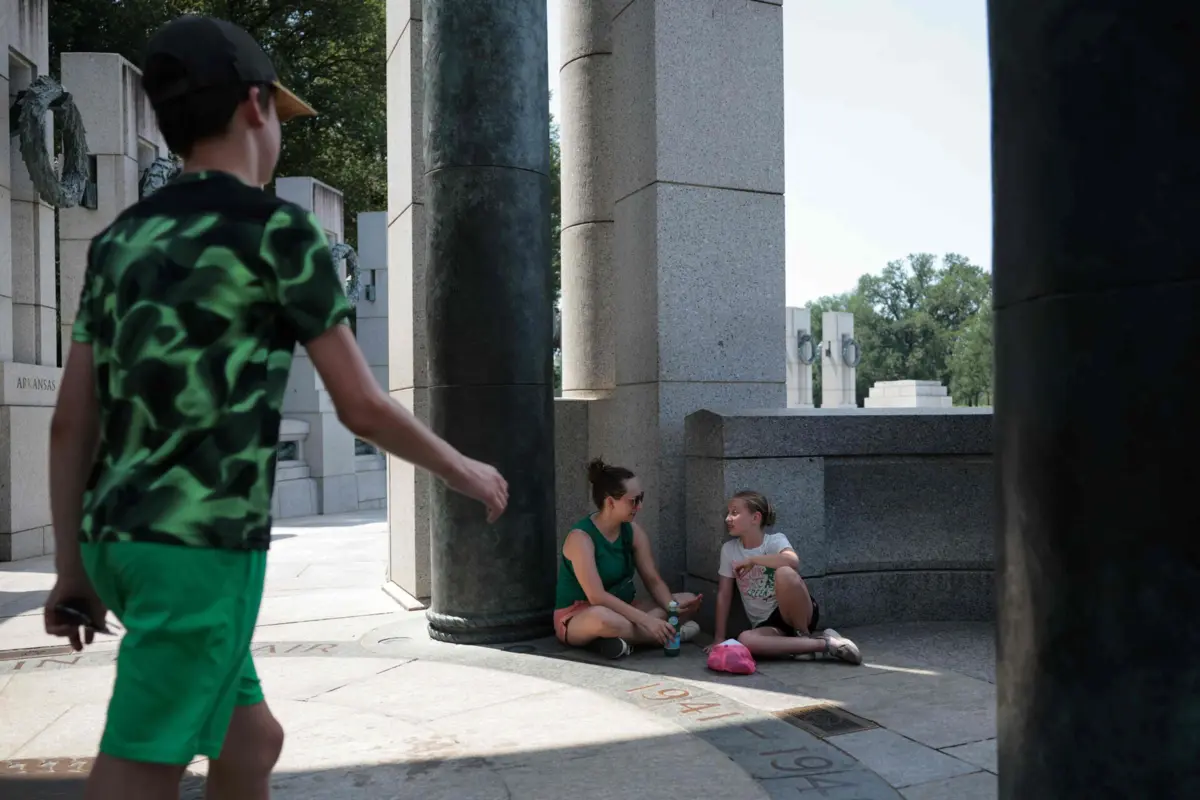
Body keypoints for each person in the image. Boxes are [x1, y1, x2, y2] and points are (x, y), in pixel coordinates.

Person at [42, 15, 508, 800]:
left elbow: (69, 422)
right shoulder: (277, 233)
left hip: (119, 541)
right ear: (257, 105)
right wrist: (463, 471)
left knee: (252, 741)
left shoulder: (120, 241)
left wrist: (70, 568)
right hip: (202, 546)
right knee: (138, 763)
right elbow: (359, 405)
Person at [554, 458, 703, 658]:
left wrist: (673, 609)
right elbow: (596, 597)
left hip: (624, 610)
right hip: (581, 616)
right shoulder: (581, 538)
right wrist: (649, 621)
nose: (639, 506)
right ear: (610, 502)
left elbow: (652, 579)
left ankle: (619, 641)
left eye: (641, 498)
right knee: (602, 619)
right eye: (633, 501)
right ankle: (668, 633)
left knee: (685, 600)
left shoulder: (632, 531)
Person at [708, 491, 862, 664]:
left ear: (755, 518)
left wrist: (753, 560)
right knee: (745, 639)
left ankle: (802, 634)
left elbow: (793, 561)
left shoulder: (774, 541)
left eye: (734, 513)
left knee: (785, 572)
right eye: (728, 513)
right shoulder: (729, 550)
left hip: (798, 612)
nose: (728, 518)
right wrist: (719, 638)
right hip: (767, 625)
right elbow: (724, 594)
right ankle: (825, 644)